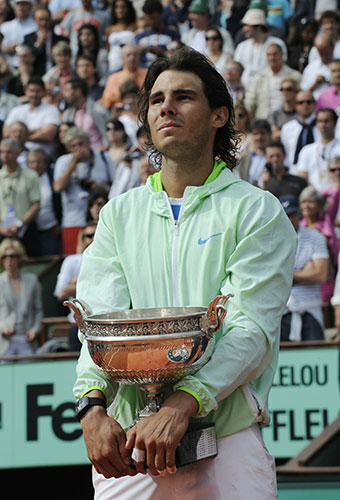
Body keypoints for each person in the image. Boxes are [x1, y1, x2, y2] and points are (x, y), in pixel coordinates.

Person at [72, 47, 296, 499]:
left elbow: (250, 328)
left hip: (228, 440)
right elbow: (97, 323)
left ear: (219, 117)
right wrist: (91, 407)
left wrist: (182, 403)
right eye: (156, 100)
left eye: (183, 96)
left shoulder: (256, 211)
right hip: (131, 446)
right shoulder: (119, 214)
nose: (166, 107)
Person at [53, 127, 115, 255]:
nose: (78, 148)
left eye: (81, 144)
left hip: (99, 219)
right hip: (73, 221)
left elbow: (115, 187)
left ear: (88, 142)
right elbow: (57, 187)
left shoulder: (103, 157)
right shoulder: (63, 161)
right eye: (73, 146)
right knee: (75, 260)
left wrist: (98, 188)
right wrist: (73, 164)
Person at [279, 194, 328, 342]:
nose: (289, 219)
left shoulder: (315, 237)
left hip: (309, 309)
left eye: (292, 214)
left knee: (317, 356)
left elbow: (321, 274)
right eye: (286, 215)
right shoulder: (271, 239)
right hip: (283, 310)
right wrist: (305, 271)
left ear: (298, 214)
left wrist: (288, 275)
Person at [54, 221, 96, 351]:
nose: (94, 238)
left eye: (97, 234)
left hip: (102, 323)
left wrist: (76, 283)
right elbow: (60, 293)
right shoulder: (72, 261)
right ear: (82, 239)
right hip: (77, 325)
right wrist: (89, 283)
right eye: (89, 235)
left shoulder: (113, 259)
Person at [0, 238, 43, 357]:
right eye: (5, 257)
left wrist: (35, 329)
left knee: (29, 374)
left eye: (12, 256)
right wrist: (2, 327)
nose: (8, 260)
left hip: (27, 339)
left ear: (19, 258)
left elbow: (38, 310)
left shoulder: (32, 280)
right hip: (5, 340)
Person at [299, 185, 340, 307]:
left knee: (325, 309)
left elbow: (335, 192)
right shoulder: (299, 225)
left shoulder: (326, 221)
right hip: (306, 277)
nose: (306, 205)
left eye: (311, 202)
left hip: (326, 276)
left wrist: (319, 193)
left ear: (320, 205)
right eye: (304, 201)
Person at [3, 76, 61, 159]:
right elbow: (6, 134)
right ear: (26, 92)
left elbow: (48, 135)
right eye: (31, 91)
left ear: (44, 92)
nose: (34, 94)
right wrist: (36, 130)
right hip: (16, 156)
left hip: (42, 157)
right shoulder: (17, 110)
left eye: (37, 91)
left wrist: (19, 135)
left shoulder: (51, 110)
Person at [0, 138, 40, 256]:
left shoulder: (30, 175)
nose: (5, 155)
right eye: (2, 152)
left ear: (18, 154)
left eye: (9, 152)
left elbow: (36, 205)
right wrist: (1, 229)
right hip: (3, 231)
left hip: (25, 230)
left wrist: (19, 225)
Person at [233, 7, 287, 90]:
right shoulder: (242, 46)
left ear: (258, 27)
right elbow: (236, 69)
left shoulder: (277, 44)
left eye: (247, 25)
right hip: (245, 90)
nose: (244, 29)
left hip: (269, 89)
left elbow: (281, 67)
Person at [244, 42, 301, 120]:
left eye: (275, 54)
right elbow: (249, 103)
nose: (272, 58)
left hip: (288, 119)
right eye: (269, 55)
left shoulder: (295, 76)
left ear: (282, 54)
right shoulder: (258, 78)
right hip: (264, 120)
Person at [27, 148, 62, 256]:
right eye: (32, 162)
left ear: (45, 163)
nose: (35, 165)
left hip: (51, 230)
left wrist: (59, 224)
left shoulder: (53, 177)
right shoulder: (24, 179)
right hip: (30, 232)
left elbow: (60, 202)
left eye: (38, 162)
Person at [297, 107, 340, 191]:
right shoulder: (307, 150)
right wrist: (316, 194)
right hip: (314, 197)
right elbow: (302, 177)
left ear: (335, 123)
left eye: (327, 121)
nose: (323, 125)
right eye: (320, 121)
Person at [62, 77, 110, 151]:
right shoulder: (68, 114)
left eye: (68, 90)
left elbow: (108, 136)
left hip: (99, 155)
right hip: (79, 156)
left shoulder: (98, 110)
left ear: (78, 91)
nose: (65, 94)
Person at [23, 4, 68, 77]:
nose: (44, 23)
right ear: (35, 20)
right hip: (36, 76)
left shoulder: (60, 39)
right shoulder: (28, 38)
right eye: (40, 19)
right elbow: (28, 60)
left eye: (46, 19)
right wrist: (38, 44)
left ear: (50, 19)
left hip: (58, 76)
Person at [280, 89, 318, 172]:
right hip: (294, 170)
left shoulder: (322, 125)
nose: (305, 105)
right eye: (301, 102)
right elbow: (286, 153)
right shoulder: (287, 128)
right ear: (295, 106)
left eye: (308, 102)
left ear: (314, 104)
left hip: (317, 170)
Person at [100, 45, 147, 111]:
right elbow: (106, 101)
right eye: (128, 55)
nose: (132, 58)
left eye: (135, 55)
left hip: (143, 111)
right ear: (122, 58)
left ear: (139, 57)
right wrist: (122, 86)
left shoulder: (147, 74)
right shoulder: (114, 77)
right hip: (120, 113)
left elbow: (149, 96)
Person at [135, 0, 180, 67]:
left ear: (161, 14)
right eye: (148, 19)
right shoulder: (140, 36)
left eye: (154, 18)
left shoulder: (172, 33)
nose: (151, 22)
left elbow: (177, 57)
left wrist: (161, 52)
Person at [0, 0, 37, 68]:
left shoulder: (36, 26)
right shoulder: (5, 26)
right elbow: (2, 47)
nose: (21, 7)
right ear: (14, 7)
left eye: (24, 4)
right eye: (18, 4)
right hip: (8, 67)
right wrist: (6, 48)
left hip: (30, 66)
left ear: (30, 7)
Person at [236, 118, 272, 185]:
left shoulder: (274, 158)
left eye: (262, 133)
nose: (259, 137)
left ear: (269, 135)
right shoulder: (245, 158)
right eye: (256, 134)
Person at [106, 0, 137, 73]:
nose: (120, 10)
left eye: (123, 7)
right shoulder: (109, 29)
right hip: (113, 66)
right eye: (117, 7)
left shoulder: (135, 27)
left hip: (130, 66)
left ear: (128, 9)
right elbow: (108, 49)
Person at [300, 33, 334, 100]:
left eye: (326, 51)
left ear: (332, 47)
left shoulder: (338, 66)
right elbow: (303, 94)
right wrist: (314, 84)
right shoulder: (310, 68)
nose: (324, 55)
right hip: (315, 107)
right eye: (321, 51)